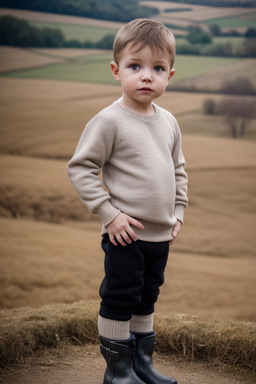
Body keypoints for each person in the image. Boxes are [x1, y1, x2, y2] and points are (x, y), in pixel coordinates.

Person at [67, 18, 188, 384]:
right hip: (126, 235)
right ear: (116, 71)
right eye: (136, 67)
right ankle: (118, 372)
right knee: (120, 298)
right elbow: (81, 168)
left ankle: (141, 365)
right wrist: (109, 214)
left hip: (160, 235)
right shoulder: (108, 121)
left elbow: (178, 170)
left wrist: (178, 212)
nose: (147, 76)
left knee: (146, 297)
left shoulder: (168, 122)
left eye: (158, 68)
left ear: (170, 74)